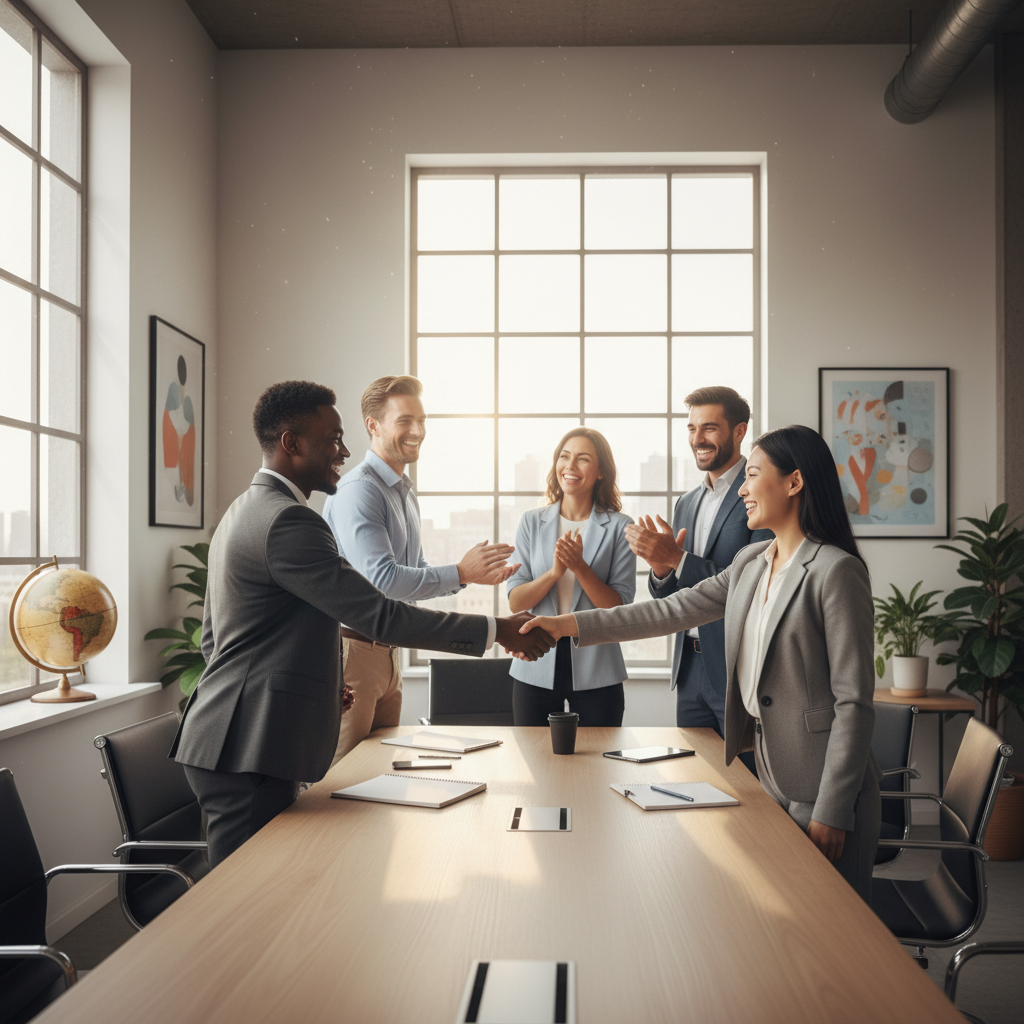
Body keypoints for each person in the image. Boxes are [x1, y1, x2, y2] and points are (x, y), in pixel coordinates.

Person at [171, 381, 553, 867]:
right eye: (332, 439)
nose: (343, 451)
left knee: (267, 889)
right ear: (293, 443)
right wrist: (497, 629)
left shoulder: (246, 510)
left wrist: (319, 682)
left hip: (244, 738)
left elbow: (216, 638)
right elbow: (379, 614)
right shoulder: (290, 521)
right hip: (247, 747)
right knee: (244, 900)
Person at [519, 424, 881, 901]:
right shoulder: (753, 561)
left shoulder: (835, 571)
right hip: (769, 774)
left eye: (753, 476)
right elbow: (670, 610)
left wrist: (834, 809)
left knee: (834, 934)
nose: (744, 489)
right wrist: (571, 625)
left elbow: (853, 702)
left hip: (822, 789)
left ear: (794, 483)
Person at [323, 375, 519, 764]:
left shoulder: (401, 491)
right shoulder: (360, 491)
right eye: (405, 421)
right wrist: (461, 572)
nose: (417, 431)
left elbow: (413, 572)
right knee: (341, 776)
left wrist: (468, 575)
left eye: (422, 420)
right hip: (353, 654)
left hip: (385, 653)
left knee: (378, 769)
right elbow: (383, 582)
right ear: (373, 425)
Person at [625, 387, 772, 771]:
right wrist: (660, 568)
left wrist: (675, 557)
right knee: (693, 779)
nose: (697, 439)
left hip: (734, 669)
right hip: (688, 671)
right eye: (691, 428)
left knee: (748, 788)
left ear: (739, 432)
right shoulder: (686, 502)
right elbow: (673, 594)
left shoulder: (759, 493)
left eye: (709, 428)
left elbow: (750, 585)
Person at [505, 428, 636, 726]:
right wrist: (554, 573)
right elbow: (515, 602)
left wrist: (580, 568)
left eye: (583, 458)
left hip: (598, 661)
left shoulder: (620, 527)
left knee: (598, 765)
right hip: (535, 659)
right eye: (564, 457)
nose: (570, 466)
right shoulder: (531, 522)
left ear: (601, 471)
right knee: (534, 763)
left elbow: (621, 608)